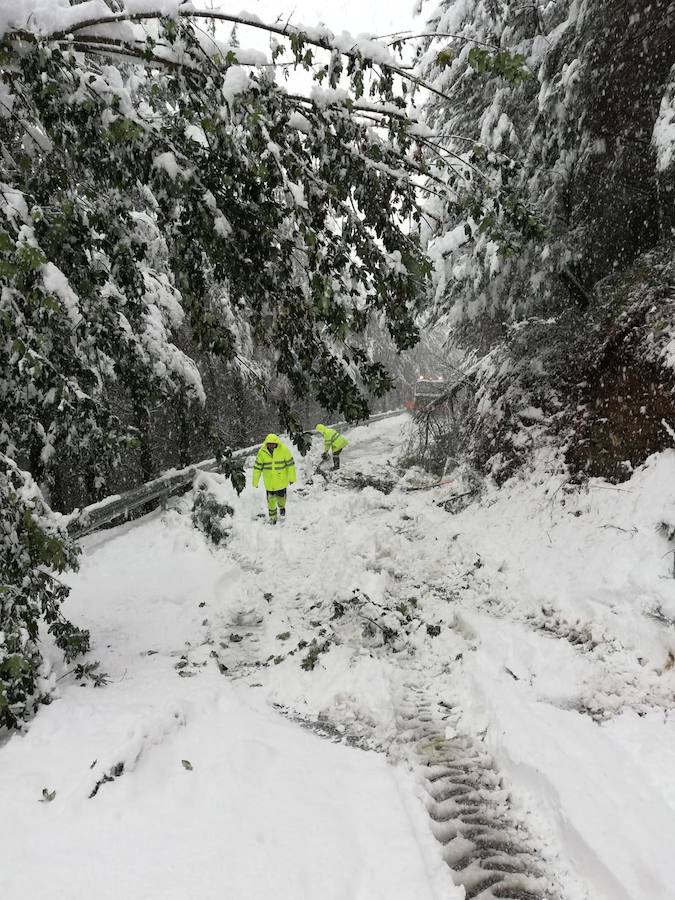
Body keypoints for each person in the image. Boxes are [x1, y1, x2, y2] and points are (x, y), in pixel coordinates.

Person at [252, 433, 296, 524]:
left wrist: (292, 478)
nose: (270, 445)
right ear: (266, 443)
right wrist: (255, 481)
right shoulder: (262, 452)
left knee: (281, 499)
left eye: (272, 443)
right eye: (269, 443)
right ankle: (273, 518)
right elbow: (257, 467)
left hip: (281, 481)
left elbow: (290, 465)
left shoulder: (284, 450)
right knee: (271, 501)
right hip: (269, 483)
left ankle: (282, 508)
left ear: (276, 443)